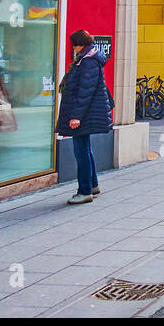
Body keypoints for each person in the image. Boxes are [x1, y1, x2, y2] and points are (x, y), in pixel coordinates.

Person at [57, 30, 113, 205]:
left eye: (74, 44)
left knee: (81, 152)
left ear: (80, 44)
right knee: (85, 150)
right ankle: (93, 185)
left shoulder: (88, 61)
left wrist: (76, 116)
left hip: (83, 115)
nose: (73, 48)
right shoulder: (87, 59)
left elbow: (84, 92)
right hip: (86, 114)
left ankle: (84, 191)